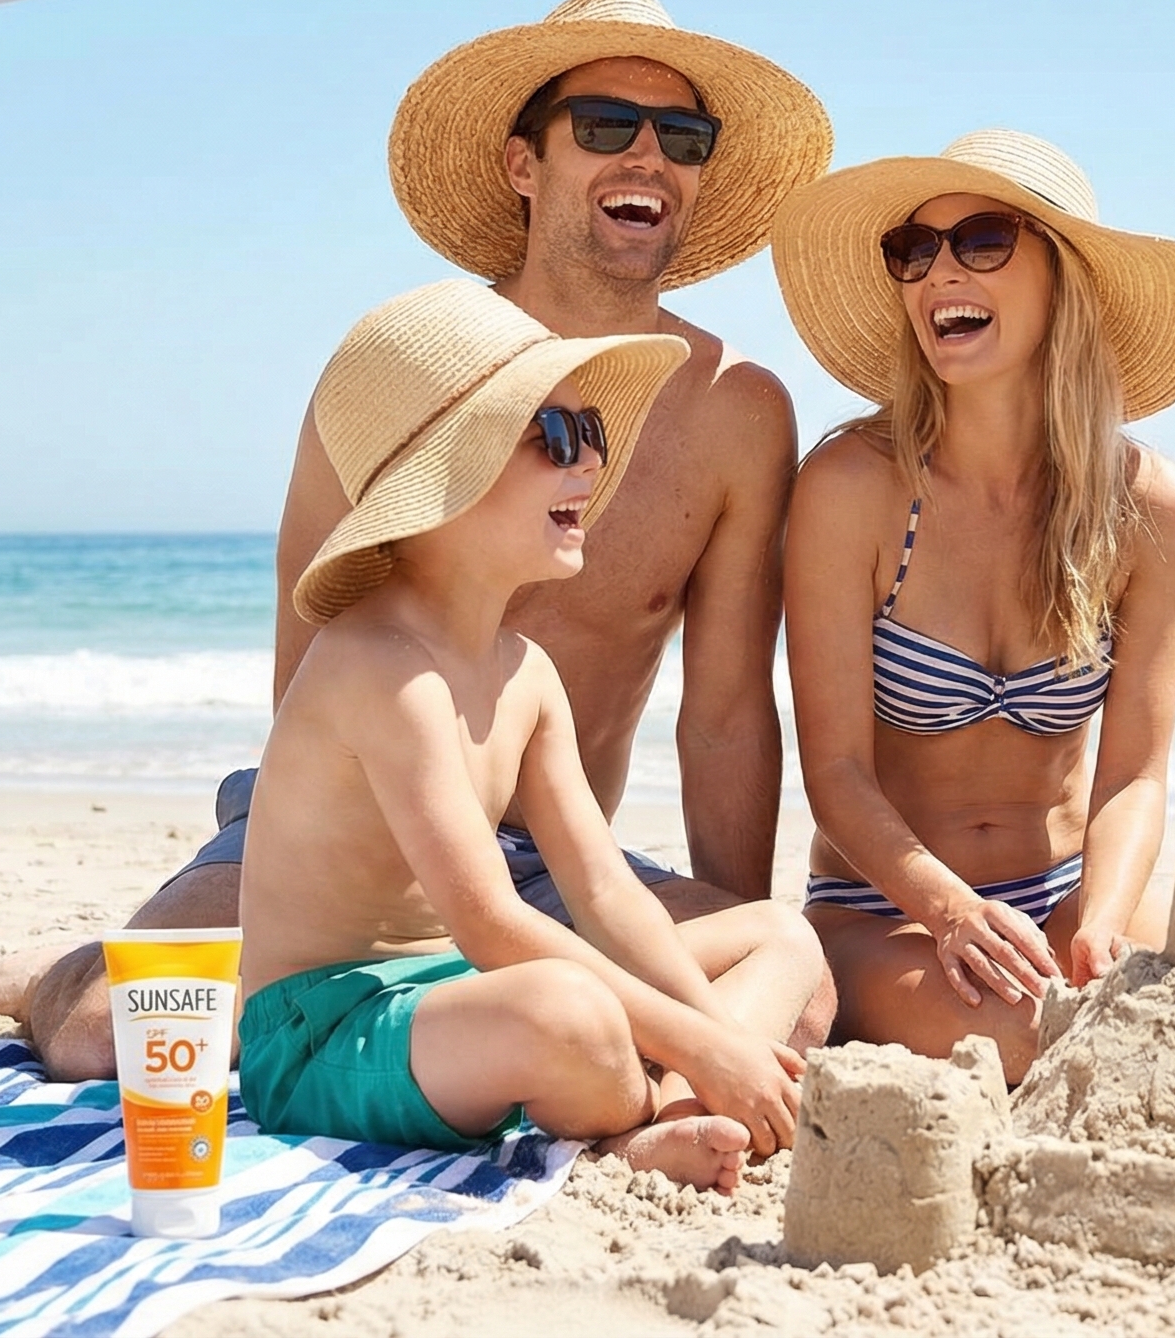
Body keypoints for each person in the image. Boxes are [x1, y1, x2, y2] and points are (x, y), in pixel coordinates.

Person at [0, 0, 838, 1079]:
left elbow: (727, 714)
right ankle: (61, 968)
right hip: (359, 835)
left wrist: (706, 954)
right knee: (115, 1034)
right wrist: (368, 892)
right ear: (522, 164)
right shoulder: (406, 376)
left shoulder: (738, 410)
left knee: (797, 990)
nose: (647, 156)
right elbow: (314, 654)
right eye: (604, 127)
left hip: (556, 859)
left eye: (681, 137)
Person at [238, 279, 805, 1195]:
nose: (588, 467)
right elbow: (494, 923)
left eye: (595, 435)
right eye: (554, 438)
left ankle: (669, 1108)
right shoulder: (381, 667)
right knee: (569, 1012)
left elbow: (607, 890)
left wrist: (718, 1041)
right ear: (445, 476)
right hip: (325, 1032)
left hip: (457, 996)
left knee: (781, 939)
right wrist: (703, 1041)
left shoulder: (524, 672)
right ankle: (626, 1137)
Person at [772, 131, 1175, 1082]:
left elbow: (1134, 775)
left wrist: (1098, 923)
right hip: (883, 909)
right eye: (914, 251)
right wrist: (951, 912)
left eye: (982, 240)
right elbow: (837, 772)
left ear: (1066, 282)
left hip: (1065, 891)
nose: (939, 273)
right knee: (1036, 1038)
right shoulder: (853, 486)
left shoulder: (1151, 508)